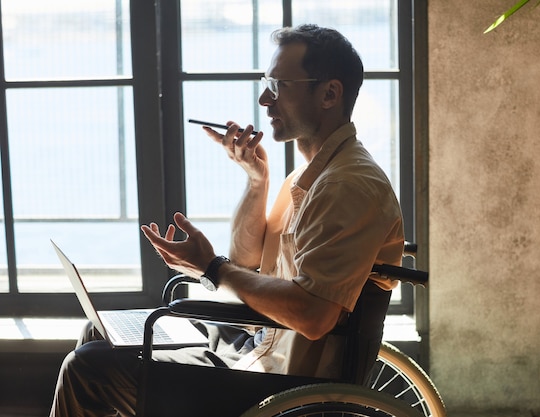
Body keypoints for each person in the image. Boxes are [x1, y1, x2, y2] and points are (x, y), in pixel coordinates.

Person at [49, 23, 405, 417]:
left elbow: (313, 316)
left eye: (280, 85)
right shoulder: (309, 179)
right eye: (267, 82)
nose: (264, 99)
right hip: (254, 350)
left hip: (288, 387)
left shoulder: (348, 186)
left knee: (89, 368)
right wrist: (257, 180)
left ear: (330, 94)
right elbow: (248, 259)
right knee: (98, 335)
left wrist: (212, 267)